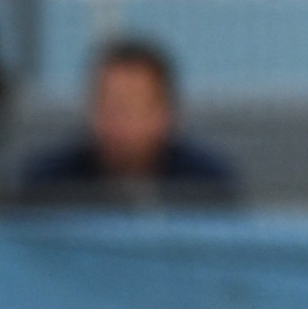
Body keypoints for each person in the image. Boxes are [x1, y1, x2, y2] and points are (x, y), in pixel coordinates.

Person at [20, 37, 236, 206]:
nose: (117, 123)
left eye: (133, 109)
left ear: (167, 113)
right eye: (108, 107)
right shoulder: (47, 184)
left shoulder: (206, 185)